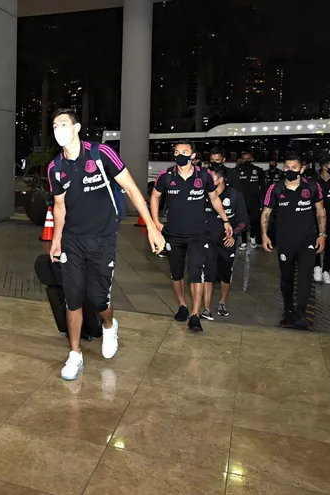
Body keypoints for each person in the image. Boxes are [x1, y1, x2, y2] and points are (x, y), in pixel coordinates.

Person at [47, 109, 165, 381]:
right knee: (73, 296)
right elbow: (59, 205)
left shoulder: (100, 154)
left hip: (103, 237)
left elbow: (134, 189)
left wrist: (151, 227)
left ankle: (109, 325)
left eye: (63, 124)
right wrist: (56, 240)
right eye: (54, 126)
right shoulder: (56, 167)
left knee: (98, 298)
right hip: (73, 240)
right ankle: (75, 354)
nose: (58, 129)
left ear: (76, 128)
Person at [150, 140, 233, 333]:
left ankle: (195, 315)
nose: (181, 155)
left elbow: (214, 199)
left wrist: (226, 220)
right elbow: (155, 196)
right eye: (177, 151)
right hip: (173, 234)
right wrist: (155, 222)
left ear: (193, 156)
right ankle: (182, 305)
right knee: (176, 273)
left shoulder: (204, 176)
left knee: (196, 273)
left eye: (185, 151)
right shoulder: (166, 176)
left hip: (198, 234)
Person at [261, 154, 326, 330]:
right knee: (287, 278)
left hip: (308, 240)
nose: (290, 170)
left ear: (301, 169)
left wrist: (322, 235)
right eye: (287, 167)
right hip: (285, 241)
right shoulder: (275, 188)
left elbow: (320, 212)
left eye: (294, 168)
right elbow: (266, 213)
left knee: (305, 276)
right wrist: (265, 235)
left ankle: (302, 313)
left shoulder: (312, 187)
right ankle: (288, 310)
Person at [201, 168, 248, 320]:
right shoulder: (204, 194)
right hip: (208, 240)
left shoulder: (234, 195)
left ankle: (222, 301)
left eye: (211, 179)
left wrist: (234, 234)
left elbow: (243, 221)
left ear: (220, 180)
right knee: (208, 274)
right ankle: (206, 308)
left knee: (225, 274)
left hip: (227, 240)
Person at [234, 150, 266, 250]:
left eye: (248, 159)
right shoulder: (236, 171)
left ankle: (253, 237)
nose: (246, 160)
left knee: (255, 220)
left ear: (252, 159)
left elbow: (263, 186)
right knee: (242, 221)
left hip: (255, 200)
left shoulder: (258, 170)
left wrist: (263, 199)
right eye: (244, 159)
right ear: (241, 159)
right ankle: (243, 241)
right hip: (242, 200)